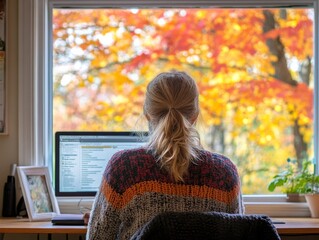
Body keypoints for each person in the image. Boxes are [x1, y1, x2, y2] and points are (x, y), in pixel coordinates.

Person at [86, 70, 244, 240]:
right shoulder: (225, 172)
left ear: (147, 114)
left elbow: (97, 237)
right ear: (195, 116)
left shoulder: (124, 168)